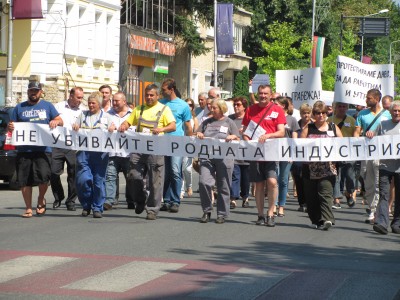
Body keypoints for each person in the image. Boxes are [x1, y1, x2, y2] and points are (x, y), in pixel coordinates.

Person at [118, 84, 176, 220]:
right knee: (133, 176)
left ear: (157, 96)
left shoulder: (164, 109)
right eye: (147, 95)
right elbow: (128, 122)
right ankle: (140, 199)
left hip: (156, 148)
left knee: (155, 181)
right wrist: (123, 126)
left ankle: (152, 209)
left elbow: (172, 126)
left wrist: (161, 129)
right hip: (139, 148)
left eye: (151, 95)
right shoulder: (139, 109)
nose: (149, 97)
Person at [9, 81, 63, 218]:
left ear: (41, 92)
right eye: (31, 90)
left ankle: (41, 199)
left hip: (43, 150)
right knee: (24, 180)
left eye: (36, 91)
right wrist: (10, 127)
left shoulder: (48, 106)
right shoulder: (19, 107)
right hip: (24, 150)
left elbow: (60, 120)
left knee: (44, 178)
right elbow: (11, 125)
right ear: (28, 92)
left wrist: (56, 121)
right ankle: (28, 208)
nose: (33, 93)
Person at [242, 84, 286, 227]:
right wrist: (247, 140)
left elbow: (281, 132)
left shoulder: (277, 109)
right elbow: (245, 131)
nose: (262, 96)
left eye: (265, 93)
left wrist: (268, 135)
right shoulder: (251, 110)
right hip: (256, 153)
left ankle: (271, 213)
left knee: (272, 182)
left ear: (270, 94)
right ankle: (260, 214)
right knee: (259, 184)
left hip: (271, 151)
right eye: (260, 93)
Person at [196, 99, 240, 224]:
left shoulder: (229, 122)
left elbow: (238, 137)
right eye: (211, 107)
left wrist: (233, 137)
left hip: (225, 157)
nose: (212, 109)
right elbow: (198, 132)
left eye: (214, 107)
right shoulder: (206, 122)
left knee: (223, 185)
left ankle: (222, 213)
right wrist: (198, 133)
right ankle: (207, 210)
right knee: (204, 182)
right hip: (207, 156)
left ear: (221, 109)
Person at [300, 101, 343, 230]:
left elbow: (343, 144)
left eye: (323, 112)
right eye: (318, 113)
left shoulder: (333, 127)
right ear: (314, 114)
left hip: (328, 168)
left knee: (325, 193)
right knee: (311, 196)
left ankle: (327, 219)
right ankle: (316, 219)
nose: (321, 115)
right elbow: (299, 145)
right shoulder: (308, 128)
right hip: (310, 168)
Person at [353, 89, 391, 224]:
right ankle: (371, 207)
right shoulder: (362, 114)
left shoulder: (387, 115)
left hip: (381, 153)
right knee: (367, 180)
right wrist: (357, 142)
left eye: (369, 98)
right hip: (366, 152)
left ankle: (377, 210)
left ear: (377, 99)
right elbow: (356, 132)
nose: (366, 100)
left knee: (378, 181)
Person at [73, 91, 110, 218]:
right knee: (83, 180)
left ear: (99, 104)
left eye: (93, 103)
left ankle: (97, 207)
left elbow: (114, 133)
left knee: (99, 182)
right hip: (84, 152)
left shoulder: (107, 117)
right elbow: (75, 128)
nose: (90, 105)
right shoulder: (82, 115)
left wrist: (112, 129)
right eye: (89, 103)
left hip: (100, 154)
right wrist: (75, 127)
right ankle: (86, 204)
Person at [159, 78, 193, 213]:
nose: (162, 92)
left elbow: (188, 125)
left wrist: (189, 141)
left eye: (164, 90)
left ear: (171, 89)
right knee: (166, 172)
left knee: (175, 170)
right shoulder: (161, 104)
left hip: (177, 142)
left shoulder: (183, 105)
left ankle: (175, 200)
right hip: (163, 142)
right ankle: (166, 200)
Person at [51, 87, 85, 211]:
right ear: (71, 96)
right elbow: (51, 119)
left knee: (73, 174)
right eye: (78, 97)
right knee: (54, 172)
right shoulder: (58, 107)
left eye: (82, 97)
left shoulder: (83, 110)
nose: (80, 100)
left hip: (74, 146)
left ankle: (71, 201)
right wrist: (55, 121)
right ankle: (58, 196)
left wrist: (80, 127)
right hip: (58, 144)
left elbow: (87, 127)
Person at [372, 101, 400, 235]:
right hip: (385, 166)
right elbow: (373, 141)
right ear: (390, 111)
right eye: (394, 110)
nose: (397, 113)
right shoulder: (383, 125)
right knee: (384, 194)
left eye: (399, 110)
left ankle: (397, 223)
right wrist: (370, 135)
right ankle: (382, 223)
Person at [104, 92, 134, 210]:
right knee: (110, 176)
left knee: (130, 177)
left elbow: (137, 130)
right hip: (112, 152)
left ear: (124, 101)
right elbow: (101, 129)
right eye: (113, 101)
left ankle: (131, 200)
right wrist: (108, 129)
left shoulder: (132, 114)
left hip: (128, 152)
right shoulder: (107, 114)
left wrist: (126, 129)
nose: (114, 103)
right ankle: (109, 201)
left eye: (117, 101)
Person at [327, 102, 356, 209]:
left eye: (344, 106)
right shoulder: (329, 120)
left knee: (349, 175)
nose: (342, 108)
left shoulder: (352, 120)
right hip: (333, 152)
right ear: (335, 108)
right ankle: (336, 199)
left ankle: (349, 192)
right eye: (340, 106)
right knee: (335, 175)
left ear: (347, 108)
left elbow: (355, 136)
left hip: (348, 152)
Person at [274, 96, 300, 217]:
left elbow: (294, 139)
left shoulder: (292, 120)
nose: (273, 106)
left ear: (283, 106)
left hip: (287, 152)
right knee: (274, 180)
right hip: (274, 152)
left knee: (283, 180)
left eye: (276, 104)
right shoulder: (272, 118)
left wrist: (293, 154)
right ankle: (273, 205)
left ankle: (281, 206)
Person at [228, 97, 250, 209]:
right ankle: (233, 199)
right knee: (234, 176)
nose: (236, 106)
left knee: (246, 179)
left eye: (238, 104)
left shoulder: (249, 119)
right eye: (234, 105)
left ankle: (245, 197)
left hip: (246, 153)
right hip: (233, 153)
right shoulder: (229, 119)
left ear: (244, 106)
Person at [291, 103, 313, 212]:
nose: (306, 115)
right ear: (300, 114)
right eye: (304, 113)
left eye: (308, 113)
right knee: (298, 179)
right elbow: (294, 140)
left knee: (309, 180)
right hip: (298, 156)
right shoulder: (297, 125)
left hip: (310, 156)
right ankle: (302, 203)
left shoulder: (314, 125)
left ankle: (310, 202)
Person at [181, 98, 199, 199]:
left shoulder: (194, 118)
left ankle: (189, 186)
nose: (188, 106)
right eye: (186, 104)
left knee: (187, 169)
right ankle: (181, 190)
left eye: (190, 105)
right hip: (179, 144)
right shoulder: (180, 116)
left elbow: (196, 131)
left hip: (190, 145)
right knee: (179, 168)